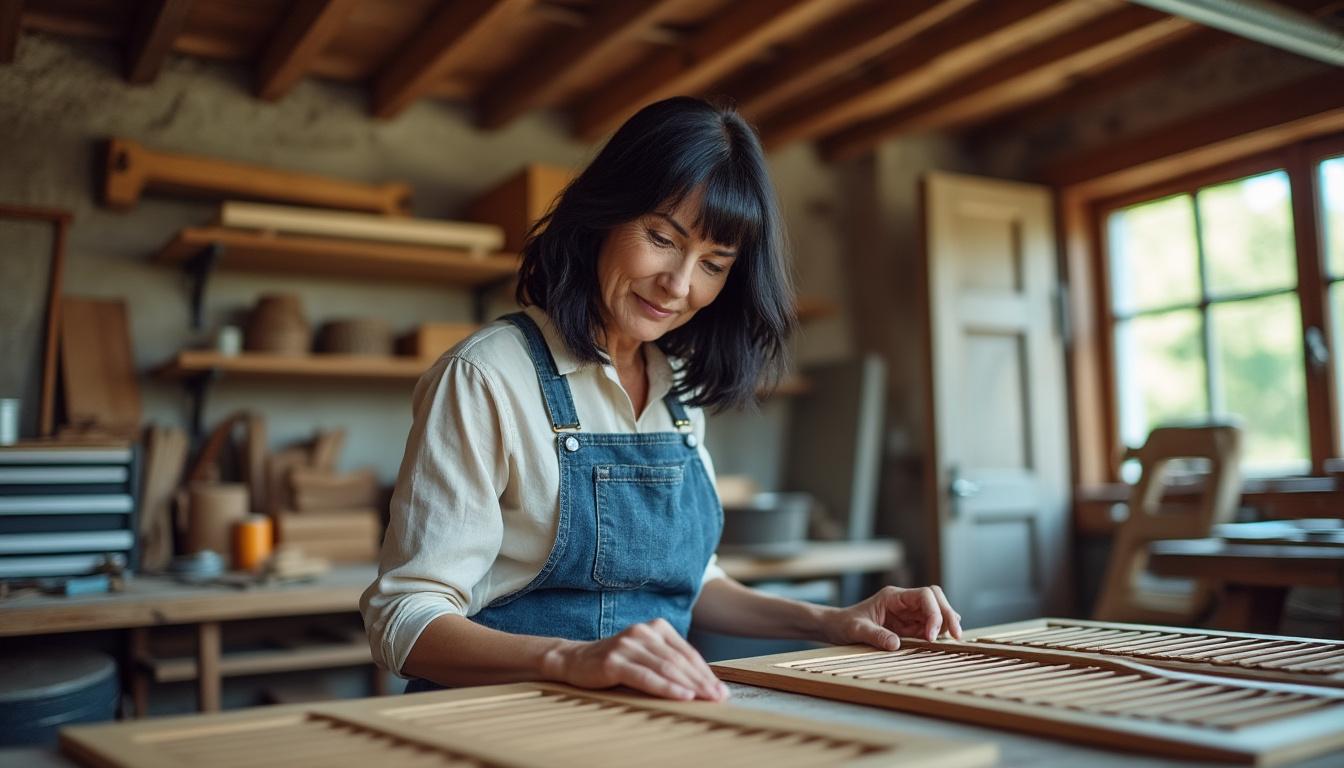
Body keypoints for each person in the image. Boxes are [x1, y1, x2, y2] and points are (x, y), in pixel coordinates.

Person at [360, 96, 961, 702]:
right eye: (661, 238)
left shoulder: (674, 387)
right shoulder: (485, 376)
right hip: (491, 718)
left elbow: (690, 582)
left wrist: (830, 621)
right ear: (602, 215)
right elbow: (403, 620)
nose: (679, 285)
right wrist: (571, 659)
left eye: (714, 263)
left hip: (637, 721)